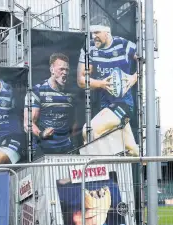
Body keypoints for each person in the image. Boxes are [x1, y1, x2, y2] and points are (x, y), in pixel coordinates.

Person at [77, 14, 139, 156]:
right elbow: (81, 80)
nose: (94, 36)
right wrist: (101, 84)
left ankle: (100, 170)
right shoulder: (89, 49)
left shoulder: (123, 44)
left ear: (107, 31)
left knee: (90, 130)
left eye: (97, 32)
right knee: (133, 151)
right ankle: (150, 174)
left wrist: (135, 77)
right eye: (92, 33)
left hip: (123, 105)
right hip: (106, 106)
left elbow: (146, 59)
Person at [24, 53, 79, 157]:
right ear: (52, 70)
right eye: (61, 69)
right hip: (44, 148)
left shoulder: (72, 93)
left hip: (66, 147)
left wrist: (73, 140)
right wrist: (41, 134)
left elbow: (75, 121)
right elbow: (28, 124)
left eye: (67, 70)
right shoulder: (37, 91)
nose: (65, 73)